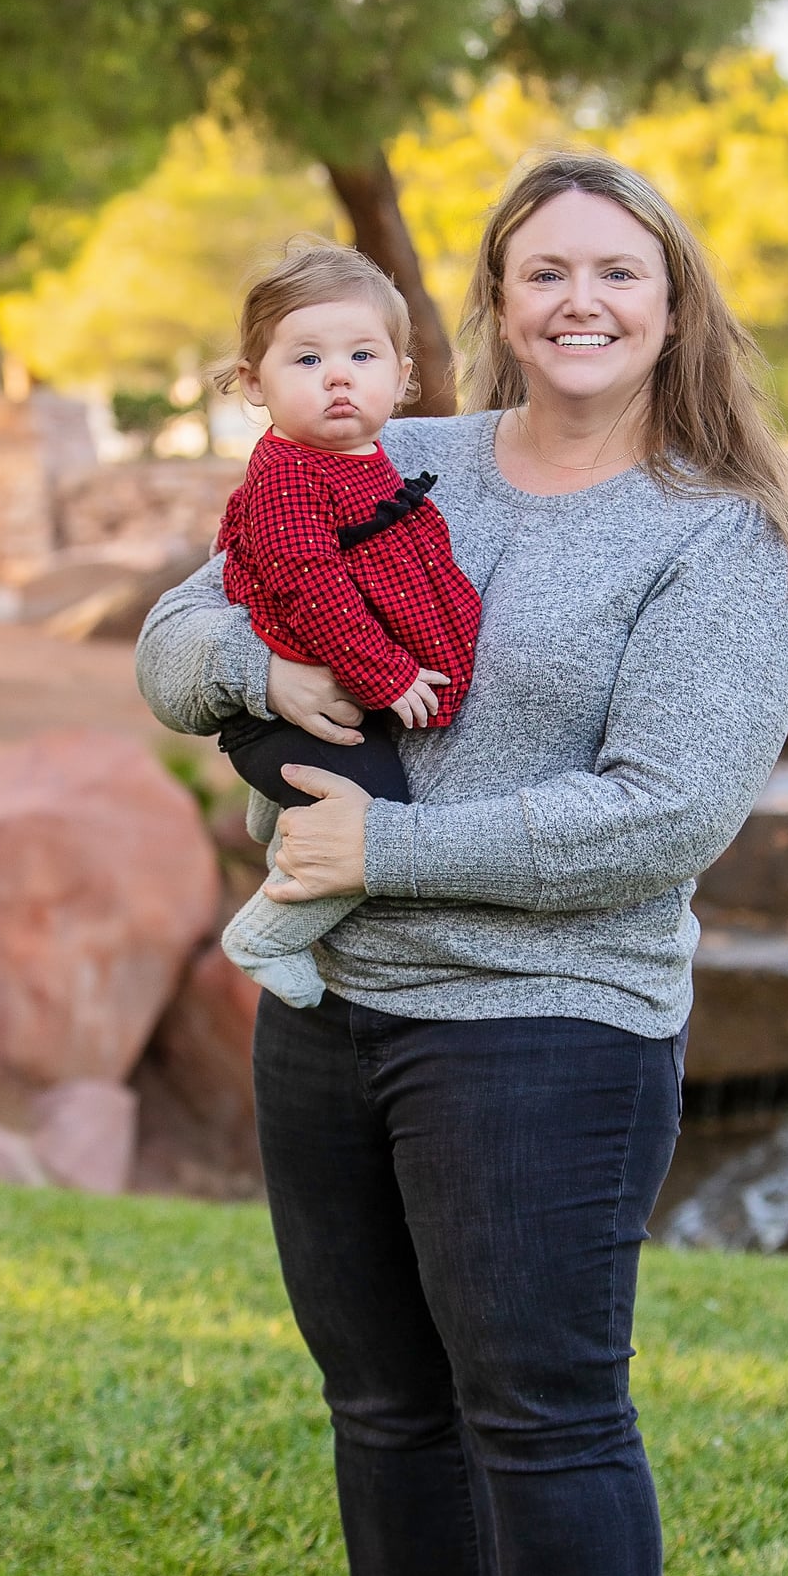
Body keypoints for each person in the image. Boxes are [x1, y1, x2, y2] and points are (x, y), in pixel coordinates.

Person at [136, 154, 788, 1576]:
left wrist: (390, 849)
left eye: (615, 271)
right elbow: (172, 628)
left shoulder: (709, 535)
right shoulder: (390, 453)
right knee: (380, 1398)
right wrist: (253, 673)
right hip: (333, 1012)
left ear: (671, 304)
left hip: (547, 1026)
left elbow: (662, 814)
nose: (576, 301)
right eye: (541, 273)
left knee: (541, 1409)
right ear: (495, 301)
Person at [211, 246, 481, 1008]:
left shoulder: (366, 459)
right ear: (254, 383)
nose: (337, 376)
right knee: (372, 822)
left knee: (349, 816)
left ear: (400, 378)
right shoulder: (289, 475)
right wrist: (386, 674)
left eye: (362, 355)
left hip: (331, 709)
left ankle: (275, 831)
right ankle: (267, 933)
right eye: (306, 359)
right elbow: (312, 587)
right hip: (293, 720)